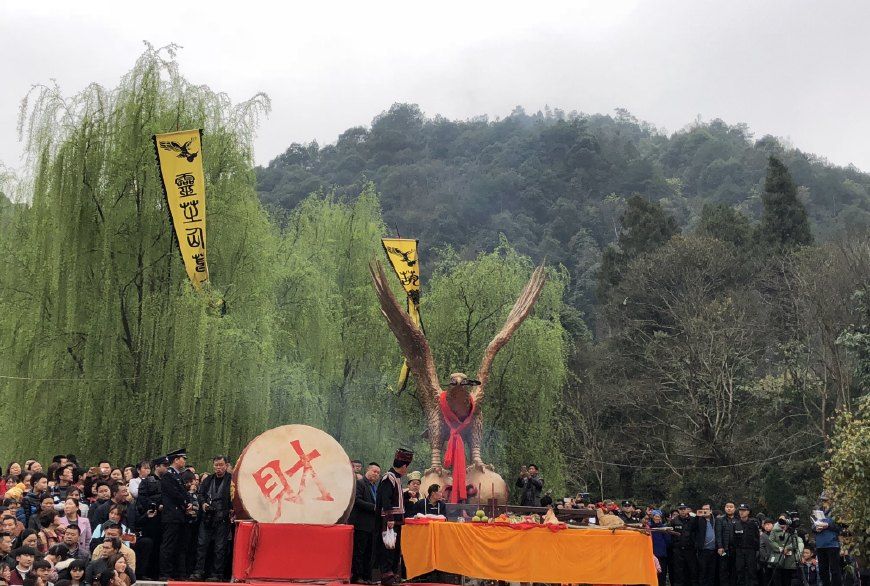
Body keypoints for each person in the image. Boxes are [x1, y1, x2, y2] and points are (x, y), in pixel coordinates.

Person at [190, 456, 231, 582]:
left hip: (223, 517)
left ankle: (217, 574)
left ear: (226, 465)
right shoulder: (208, 479)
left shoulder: (231, 480)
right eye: (216, 465)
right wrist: (203, 504)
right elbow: (201, 494)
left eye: (221, 465)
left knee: (220, 547)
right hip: (208, 517)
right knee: (202, 545)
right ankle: (198, 571)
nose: (218, 468)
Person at [375, 449, 413, 586]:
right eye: (407, 467)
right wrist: (390, 518)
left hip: (396, 520)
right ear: (404, 466)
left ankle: (391, 575)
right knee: (388, 548)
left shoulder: (396, 478)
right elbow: (386, 499)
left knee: (395, 548)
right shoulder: (388, 477)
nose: (406, 470)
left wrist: (408, 495)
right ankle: (387, 577)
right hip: (389, 520)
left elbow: (395, 496)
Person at [159, 449, 191, 580]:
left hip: (179, 516)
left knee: (178, 545)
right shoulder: (168, 475)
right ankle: (164, 573)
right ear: (176, 460)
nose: (184, 461)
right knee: (168, 545)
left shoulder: (177, 475)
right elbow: (175, 494)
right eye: (183, 458)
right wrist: (185, 502)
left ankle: (176, 572)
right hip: (172, 515)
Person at [349, 462, 380, 584]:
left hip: (372, 525)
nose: (376, 474)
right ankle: (357, 576)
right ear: (367, 470)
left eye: (378, 473)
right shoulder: (360, 484)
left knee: (369, 552)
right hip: (361, 524)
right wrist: (374, 507)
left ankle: (367, 576)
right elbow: (357, 500)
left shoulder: (375, 487)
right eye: (374, 471)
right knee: (359, 551)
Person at [812, 493, 842, 586]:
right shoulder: (818, 511)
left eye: (825, 500)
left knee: (835, 570)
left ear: (831, 500)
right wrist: (815, 528)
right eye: (822, 500)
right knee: (822, 570)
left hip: (832, 544)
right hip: (820, 544)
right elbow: (813, 525)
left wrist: (828, 525)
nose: (824, 502)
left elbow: (840, 528)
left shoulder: (837, 512)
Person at [770, 515, 804, 586]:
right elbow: (771, 541)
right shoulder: (774, 530)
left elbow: (795, 543)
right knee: (777, 579)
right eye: (780, 520)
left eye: (783, 520)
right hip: (778, 558)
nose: (781, 522)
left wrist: (787, 547)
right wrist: (780, 548)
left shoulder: (791, 530)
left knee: (787, 579)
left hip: (789, 559)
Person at [732, 504, 760, 586]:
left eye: (744, 510)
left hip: (751, 551)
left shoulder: (753, 524)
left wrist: (756, 550)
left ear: (748, 512)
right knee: (739, 571)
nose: (741, 512)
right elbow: (733, 538)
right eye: (740, 510)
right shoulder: (736, 524)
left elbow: (757, 538)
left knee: (752, 571)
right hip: (739, 550)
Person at [670, 503, 697, 586]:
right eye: (681, 509)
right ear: (678, 510)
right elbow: (670, 534)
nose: (682, 511)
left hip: (690, 550)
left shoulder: (693, 520)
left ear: (687, 509)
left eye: (684, 509)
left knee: (692, 570)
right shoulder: (674, 521)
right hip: (678, 550)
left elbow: (697, 532)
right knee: (678, 571)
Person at [718, 502, 739, 586]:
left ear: (734, 508)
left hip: (735, 549)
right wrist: (720, 547)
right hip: (723, 549)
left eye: (731, 507)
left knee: (734, 569)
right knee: (723, 569)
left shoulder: (738, 519)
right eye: (727, 507)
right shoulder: (720, 519)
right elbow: (718, 534)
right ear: (724, 508)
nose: (729, 508)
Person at [649, 509, 671, 586]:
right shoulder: (649, 527)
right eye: (655, 516)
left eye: (659, 516)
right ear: (652, 517)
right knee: (652, 575)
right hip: (651, 555)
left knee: (662, 576)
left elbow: (668, 541)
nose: (657, 518)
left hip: (662, 555)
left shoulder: (664, 527)